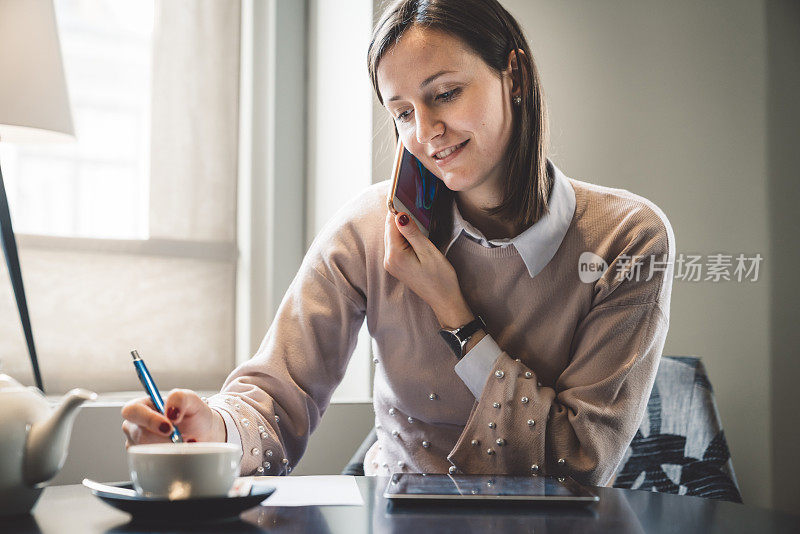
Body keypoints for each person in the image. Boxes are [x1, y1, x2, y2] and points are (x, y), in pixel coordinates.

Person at [121, 0, 675, 486]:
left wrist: (455, 316)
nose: (425, 131)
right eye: (403, 112)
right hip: (392, 517)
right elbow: (276, 400)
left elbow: (580, 464)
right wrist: (211, 431)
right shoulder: (369, 228)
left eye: (446, 94)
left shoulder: (627, 239)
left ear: (516, 76)